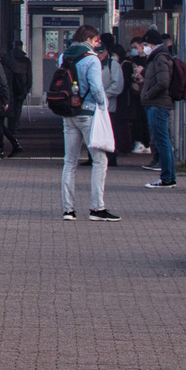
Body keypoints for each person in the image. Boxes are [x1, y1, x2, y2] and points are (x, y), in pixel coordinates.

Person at [57, 24, 118, 222]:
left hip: (68, 114)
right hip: (89, 113)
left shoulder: (64, 57)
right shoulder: (91, 59)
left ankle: (68, 210)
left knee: (70, 162)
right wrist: (104, 105)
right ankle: (97, 208)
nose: (96, 44)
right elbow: (97, 88)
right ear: (90, 39)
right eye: (95, 41)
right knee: (99, 160)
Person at [139, 34, 179, 188]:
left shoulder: (160, 58)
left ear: (152, 44)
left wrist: (148, 94)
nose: (144, 48)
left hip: (158, 104)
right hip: (157, 103)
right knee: (164, 141)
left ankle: (167, 178)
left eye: (145, 45)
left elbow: (163, 83)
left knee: (162, 141)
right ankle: (168, 177)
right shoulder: (159, 57)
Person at [0, 40, 32, 157]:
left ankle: (5, 145)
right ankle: (14, 129)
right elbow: (29, 77)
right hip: (17, 91)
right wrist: (26, 89)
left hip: (4, 96)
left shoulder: (3, 67)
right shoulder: (22, 61)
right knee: (15, 111)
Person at [100, 42, 126, 167]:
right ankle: (93, 157)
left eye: (101, 52)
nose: (99, 55)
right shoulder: (93, 63)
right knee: (96, 132)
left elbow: (118, 85)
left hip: (109, 106)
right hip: (95, 106)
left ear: (106, 52)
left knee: (110, 131)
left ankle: (111, 158)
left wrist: (105, 94)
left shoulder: (113, 65)